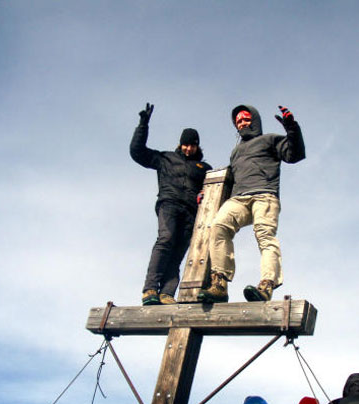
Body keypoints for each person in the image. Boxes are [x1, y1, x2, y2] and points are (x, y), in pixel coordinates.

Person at [198, 104, 305, 303]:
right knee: (219, 225)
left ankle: (266, 285)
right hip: (239, 198)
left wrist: (292, 129)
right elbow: (230, 178)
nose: (242, 123)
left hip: (264, 195)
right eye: (238, 121)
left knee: (264, 235)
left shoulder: (270, 139)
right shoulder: (236, 152)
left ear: (254, 120)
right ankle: (219, 283)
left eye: (245, 119)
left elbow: (294, 155)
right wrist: (207, 191)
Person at [130, 102, 212, 305]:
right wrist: (143, 125)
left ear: (197, 145)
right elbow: (137, 152)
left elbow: (214, 189)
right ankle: (150, 289)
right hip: (169, 205)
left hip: (192, 212)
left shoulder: (204, 167)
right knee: (166, 240)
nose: (188, 148)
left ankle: (166, 293)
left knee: (177, 253)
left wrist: (204, 193)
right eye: (185, 144)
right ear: (180, 143)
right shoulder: (165, 158)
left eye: (192, 145)